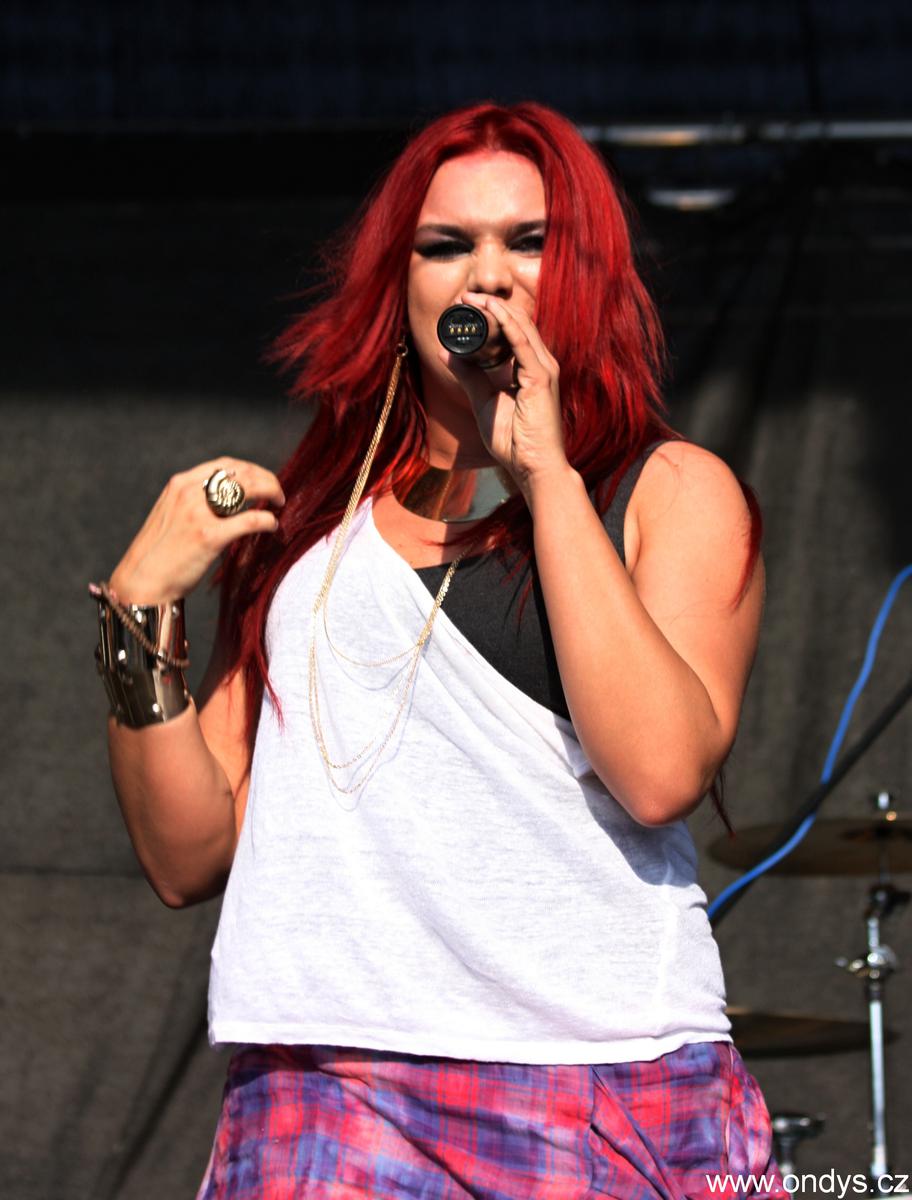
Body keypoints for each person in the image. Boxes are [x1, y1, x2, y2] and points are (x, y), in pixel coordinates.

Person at [91, 102, 787, 1198]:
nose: (488, 275)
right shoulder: (313, 524)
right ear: (400, 280)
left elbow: (661, 773)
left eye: (530, 241)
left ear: (586, 273)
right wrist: (137, 611)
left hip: (598, 1077)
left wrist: (546, 473)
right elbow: (187, 856)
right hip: (326, 1080)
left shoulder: (667, 490)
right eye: (447, 245)